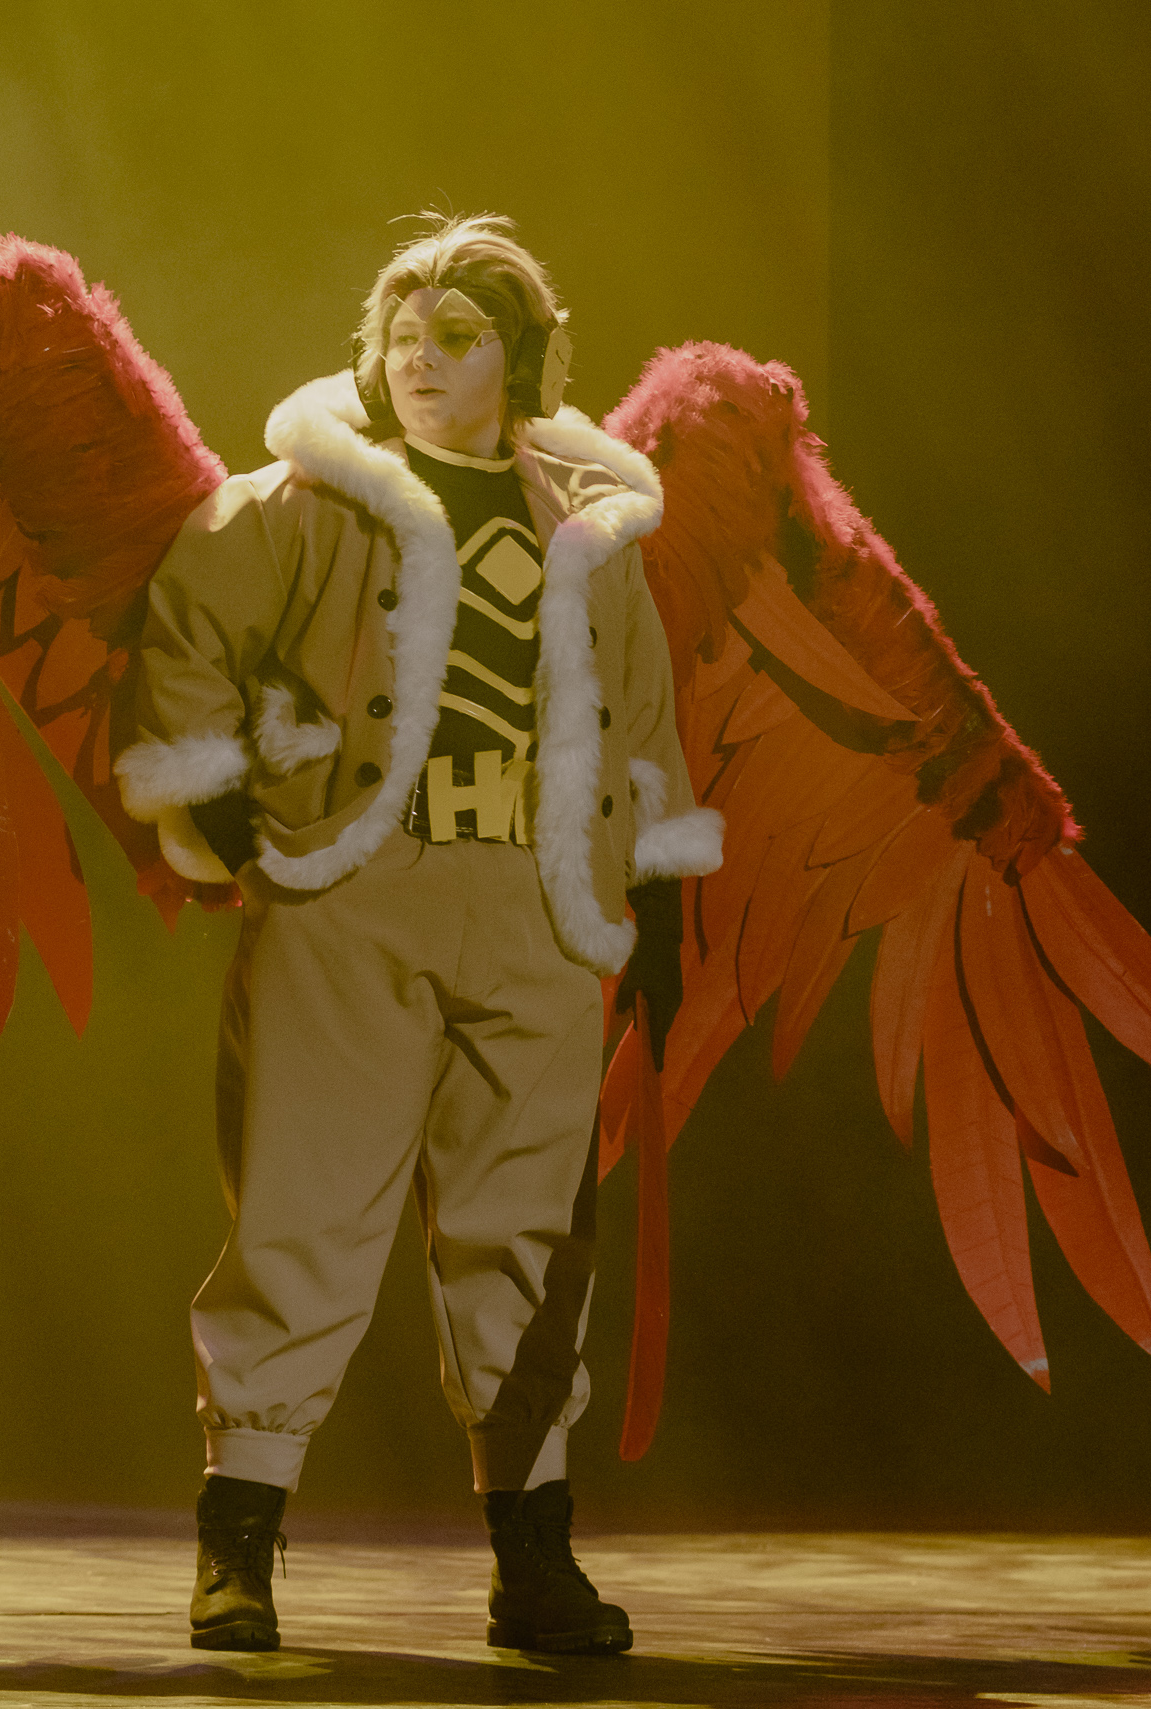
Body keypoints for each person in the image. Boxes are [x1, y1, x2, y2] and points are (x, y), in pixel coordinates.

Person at [113, 214, 723, 1655]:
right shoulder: (300, 503)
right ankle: (237, 1547)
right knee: (303, 1208)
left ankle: (534, 1561)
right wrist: (226, 810)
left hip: (537, 906)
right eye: (404, 338)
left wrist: (657, 893)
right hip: (354, 896)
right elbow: (187, 632)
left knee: (530, 1235)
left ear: (523, 360)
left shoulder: (593, 532)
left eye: (459, 339)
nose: (424, 361)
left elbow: (641, 716)